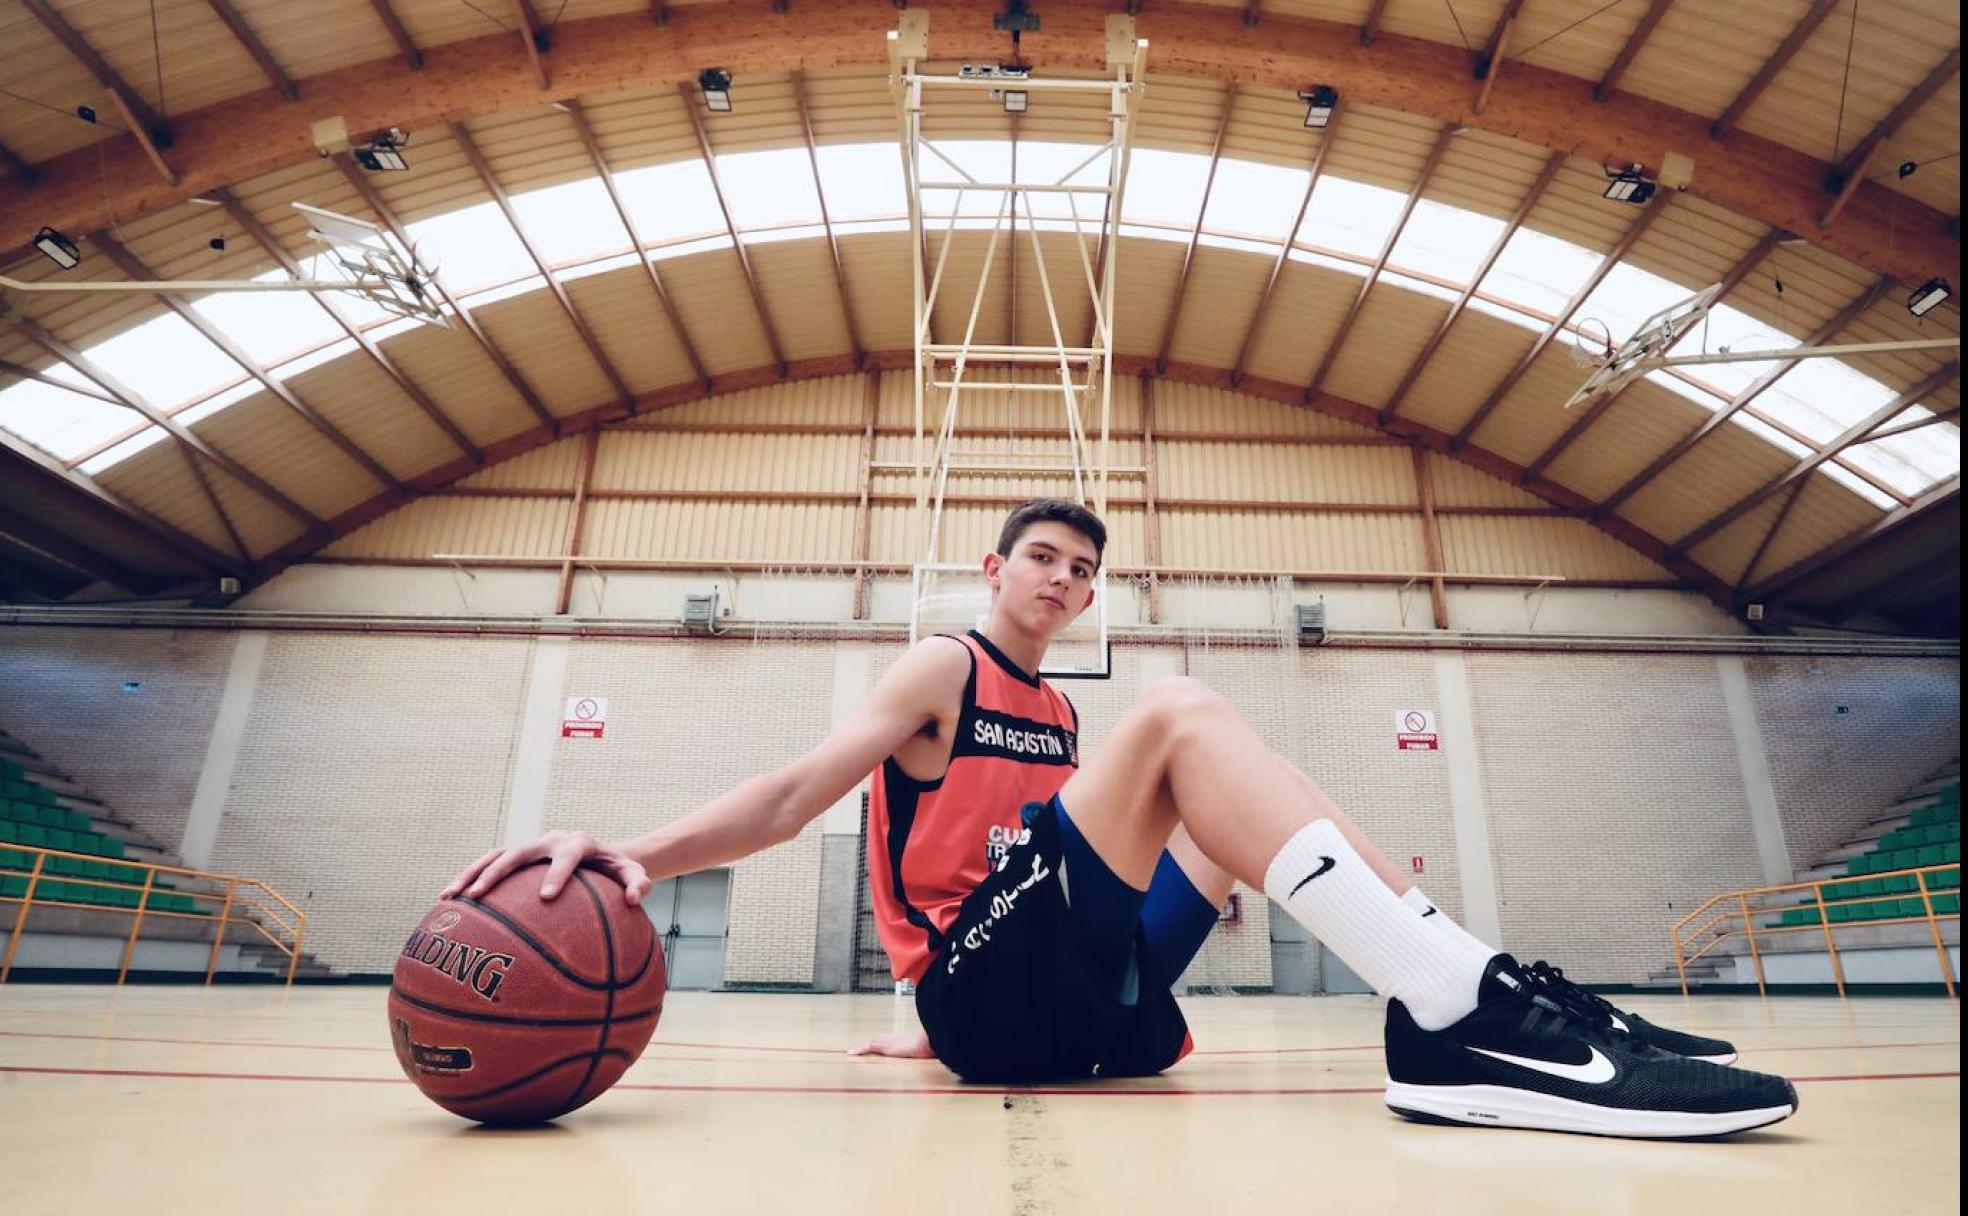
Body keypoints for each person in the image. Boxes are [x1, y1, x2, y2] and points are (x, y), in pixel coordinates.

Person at [443, 497, 1796, 1138]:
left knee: (1209, 799)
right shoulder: (943, 668)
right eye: (1044, 559)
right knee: (1185, 716)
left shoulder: (1067, 722)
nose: (1064, 581)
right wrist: (641, 853)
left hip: (1097, 1016)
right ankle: (1466, 1017)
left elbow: (1050, 875)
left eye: (1083, 572)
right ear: (996, 568)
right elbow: (797, 796)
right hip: (991, 1008)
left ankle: (1483, 988)